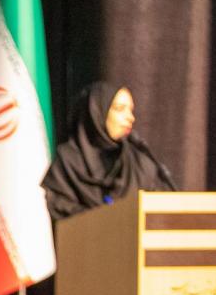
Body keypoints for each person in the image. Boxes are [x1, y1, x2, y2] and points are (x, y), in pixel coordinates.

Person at [41, 81, 176, 221]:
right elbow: (61, 212)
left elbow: (159, 216)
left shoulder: (139, 164)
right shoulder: (67, 161)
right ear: (97, 112)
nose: (130, 117)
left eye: (130, 110)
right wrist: (106, 219)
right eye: (120, 109)